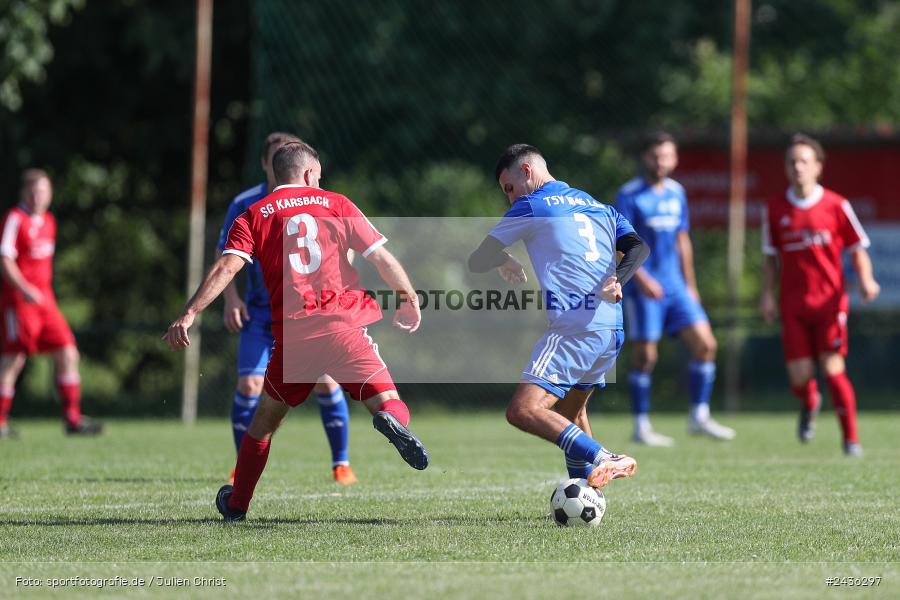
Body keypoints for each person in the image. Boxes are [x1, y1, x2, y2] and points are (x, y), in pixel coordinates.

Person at [164, 141, 428, 521]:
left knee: (263, 424)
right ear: (308, 173)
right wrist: (408, 296)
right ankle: (391, 420)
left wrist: (189, 313)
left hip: (295, 338)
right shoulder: (337, 204)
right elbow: (381, 258)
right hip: (343, 327)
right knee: (387, 399)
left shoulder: (253, 214)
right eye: (318, 176)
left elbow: (226, 267)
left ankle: (237, 504)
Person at [468, 144, 648, 489]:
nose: (510, 198)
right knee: (570, 413)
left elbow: (478, 260)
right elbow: (638, 246)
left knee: (523, 410)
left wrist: (503, 259)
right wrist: (618, 279)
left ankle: (605, 457)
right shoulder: (598, 205)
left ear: (527, 171)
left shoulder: (531, 205)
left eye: (509, 188)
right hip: (610, 328)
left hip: (574, 327)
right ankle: (586, 493)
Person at [217, 132, 357, 485]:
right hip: (261, 314)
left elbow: (346, 245)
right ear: (267, 163)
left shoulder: (319, 200)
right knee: (250, 385)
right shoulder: (246, 204)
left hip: (307, 315)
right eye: (278, 157)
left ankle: (341, 464)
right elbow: (225, 257)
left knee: (325, 382)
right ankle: (241, 465)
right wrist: (231, 298)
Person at [760, 133, 879, 457]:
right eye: (792, 161)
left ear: (818, 167)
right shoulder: (775, 208)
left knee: (833, 367)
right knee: (799, 377)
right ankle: (810, 400)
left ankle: (850, 440)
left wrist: (866, 279)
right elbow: (770, 259)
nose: (797, 167)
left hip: (829, 302)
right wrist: (767, 295)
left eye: (804, 161)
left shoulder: (836, 205)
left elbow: (858, 249)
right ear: (786, 167)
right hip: (793, 303)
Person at [615, 132, 735, 446]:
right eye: (656, 156)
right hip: (645, 288)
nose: (661, 162)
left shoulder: (676, 192)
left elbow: (683, 239)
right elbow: (619, 244)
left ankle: (699, 416)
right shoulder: (629, 195)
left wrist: (691, 285)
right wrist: (643, 279)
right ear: (645, 158)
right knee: (645, 356)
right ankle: (641, 426)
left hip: (677, 287)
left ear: (675, 158)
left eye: (667, 156)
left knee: (706, 345)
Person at [0, 169, 102, 438]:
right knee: (14, 359)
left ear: (50, 194)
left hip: (46, 304)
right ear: (24, 193)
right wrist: (24, 288)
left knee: (68, 353)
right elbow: (5, 258)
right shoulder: (15, 218)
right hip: (19, 302)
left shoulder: (49, 221)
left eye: (43, 191)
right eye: (33, 191)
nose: (38, 197)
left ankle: (72, 419)